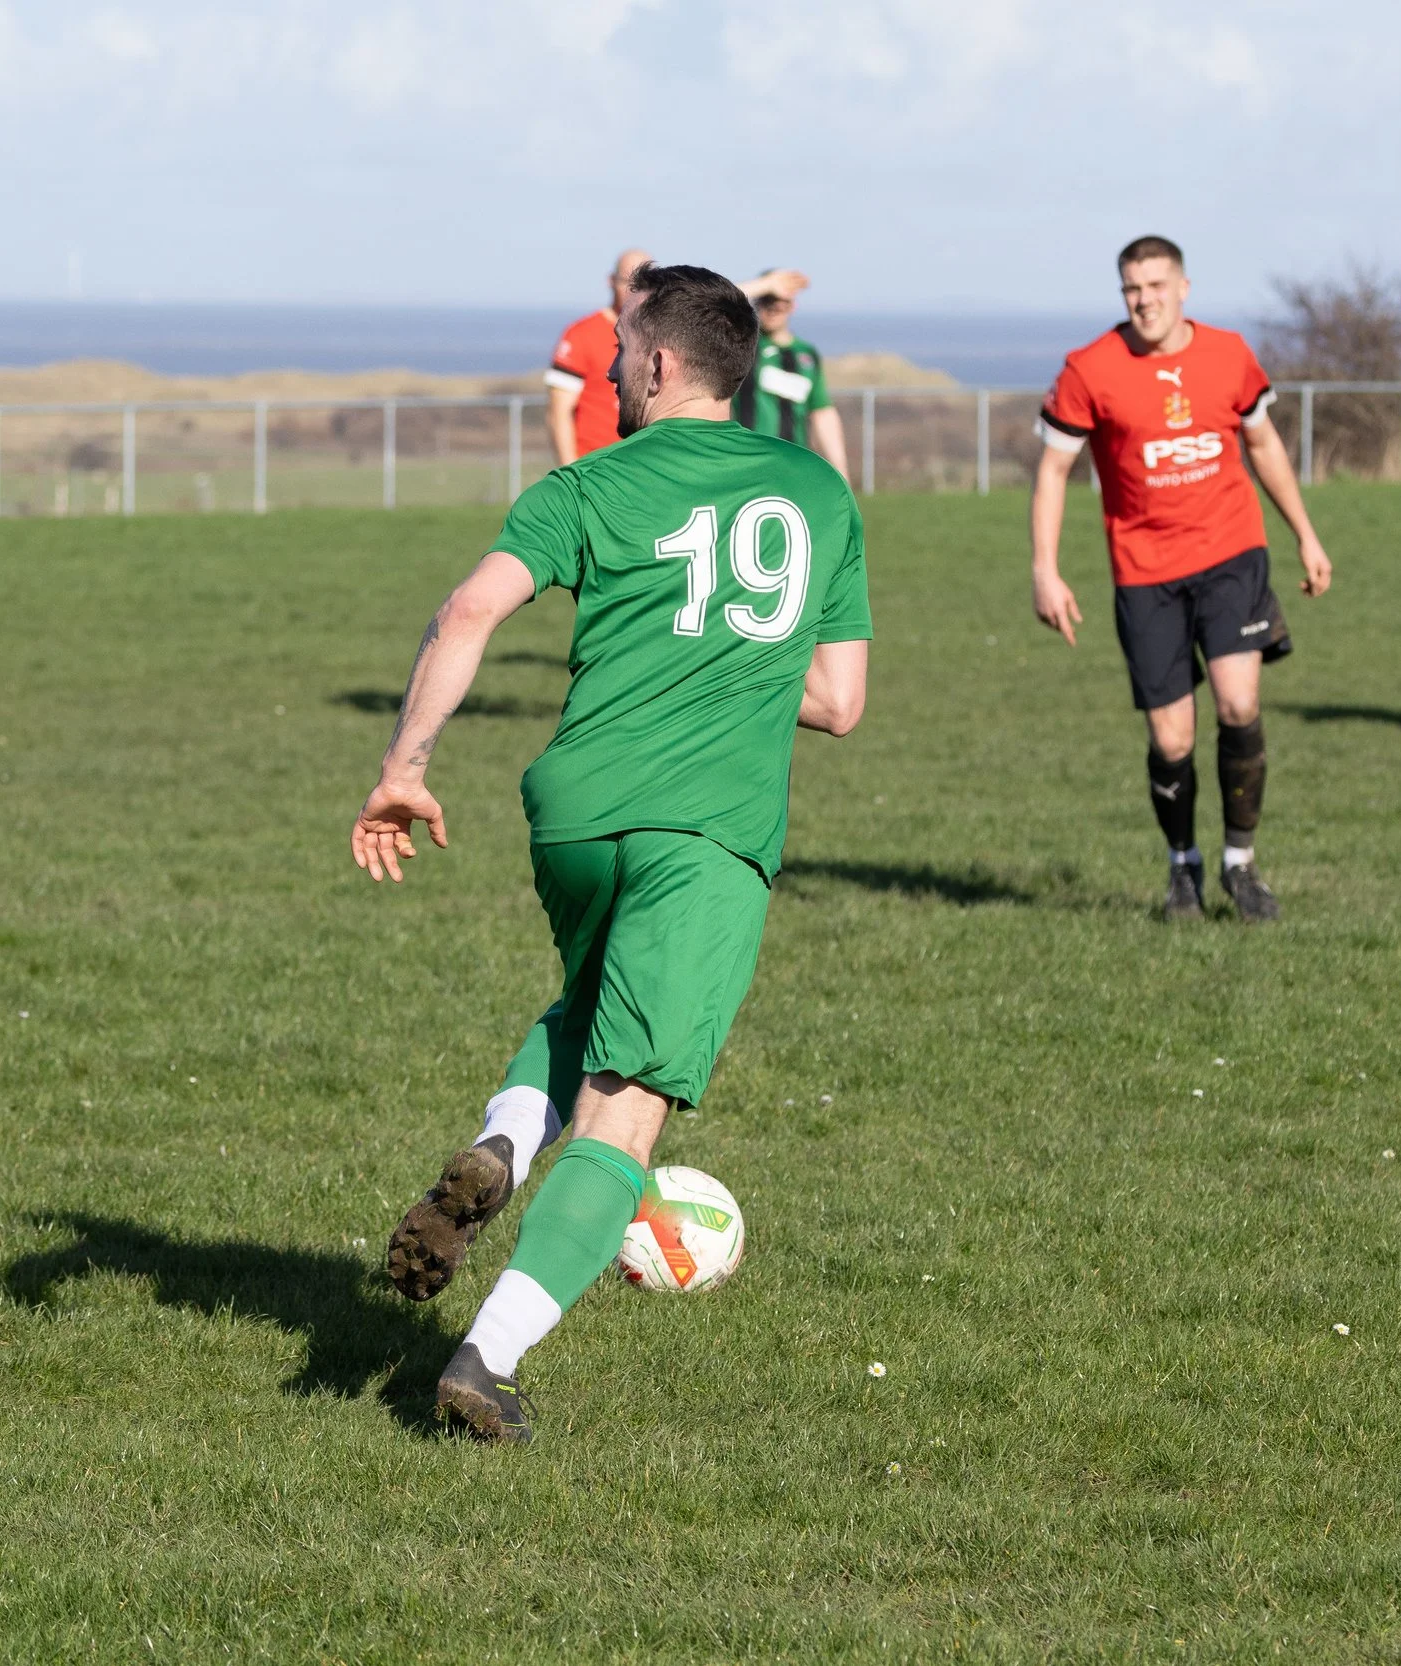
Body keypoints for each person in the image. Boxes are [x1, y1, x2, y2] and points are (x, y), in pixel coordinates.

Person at [352, 262, 872, 1443]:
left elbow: (469, 609)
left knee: (591, 1006)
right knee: (626, 1110)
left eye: (619, 352)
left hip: (576, 813)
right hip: (706, 829)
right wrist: (731, 677)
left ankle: (499, 1139)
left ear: (657, 364)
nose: (605, 370)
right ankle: (485, 1359)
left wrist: (405, 769)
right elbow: (839, 701)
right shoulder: (821, 493)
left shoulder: (585, 482)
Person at [1029, 235, 1333, 924]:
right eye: (1133, 289)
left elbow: (1264, 447)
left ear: (1185, 288)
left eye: (1157, 286)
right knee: (1172, 740)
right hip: (1145, 574)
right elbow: (1052, 472)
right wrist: (1046, 571)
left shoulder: (1228, 354)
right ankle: (1182, 868)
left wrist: (1306, 534)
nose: (1145, 301)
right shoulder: (1090, 370)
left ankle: (1240, 863)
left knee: (1237, 705)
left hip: (1232, 555)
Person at [736, 269, 851, 479]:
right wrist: (764, 284)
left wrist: (841, 472)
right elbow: (710, 306)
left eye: (778, 301)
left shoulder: (806, 354)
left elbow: (822, 412)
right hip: (745, 461)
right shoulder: (741, 344)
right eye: (766, 300)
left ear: (792, 305)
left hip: (791, 466)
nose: (772, 309)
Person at [544, 249, 653, 465]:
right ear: (611, 281)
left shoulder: (663, 335)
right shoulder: (581, 335)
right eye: (627, 281)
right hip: (595, 468)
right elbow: (558, 414)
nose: (635, 290)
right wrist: (572, 477)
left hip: (646, 468)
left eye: (645, 282)